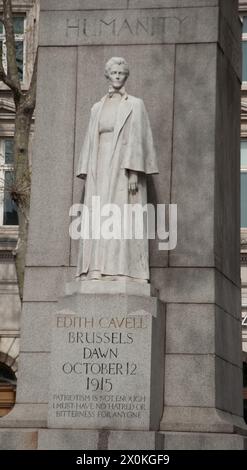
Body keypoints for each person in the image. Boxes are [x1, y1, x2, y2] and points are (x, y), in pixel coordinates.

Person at [76, 57, 158, 281]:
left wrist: (133, 171)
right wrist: (86, 168)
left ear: (126, 76)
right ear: (107, 75)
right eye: (114, 73)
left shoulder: (135, 104)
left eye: (121, 73)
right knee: (98, 216)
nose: (118, 77)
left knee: (121, 217)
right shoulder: (97, 107)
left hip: (123, 166)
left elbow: (139, 139)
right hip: (99, 164)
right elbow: (89, 140)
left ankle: (124, 269)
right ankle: (95, 267)